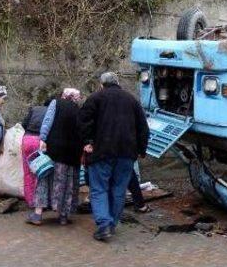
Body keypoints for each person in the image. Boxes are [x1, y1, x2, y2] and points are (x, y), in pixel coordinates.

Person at [80, 72, 149, 242]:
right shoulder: (132, 100)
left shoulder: (95, 98)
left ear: (101, 84)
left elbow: (83, 121)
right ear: (118, 83)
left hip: (101, 151)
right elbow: (143, 128)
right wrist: (141, 150)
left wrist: (87, 142)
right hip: (126, 153)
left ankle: (104, 225)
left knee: (99, 188)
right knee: (119, 189)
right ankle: (112, 224)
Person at [27, 88, 83, 226]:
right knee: (68, 183)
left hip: (54, 149)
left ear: (64, 95)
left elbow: (48, 121)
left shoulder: (56, 103)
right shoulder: (80, 110)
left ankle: (37, 215)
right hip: (72, 153)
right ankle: (63, 216)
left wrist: (43, 139)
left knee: (45, 179)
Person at [21, 101, 48, 207]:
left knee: (28, 172)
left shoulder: (34, 108)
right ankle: (40, 202)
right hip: (40, 141)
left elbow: (24, 124)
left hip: (27, 139)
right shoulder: (51, 111)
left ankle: (30, 201)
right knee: (41, 171)